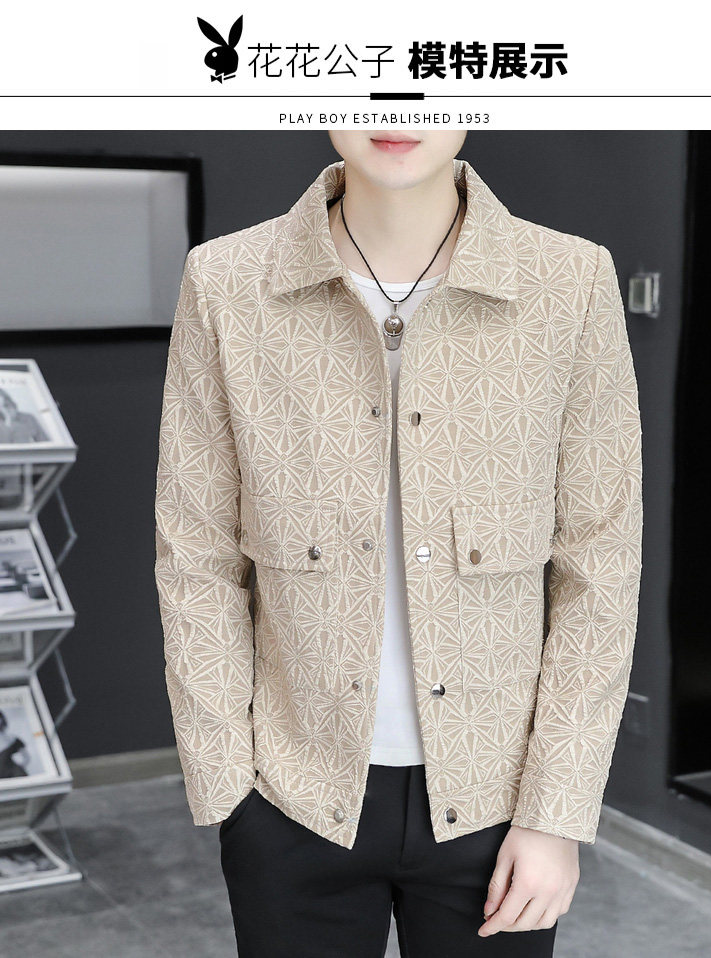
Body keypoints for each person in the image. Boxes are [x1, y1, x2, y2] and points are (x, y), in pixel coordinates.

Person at [154, 131, 642, 957]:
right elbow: (194, 551)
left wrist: (556, 813)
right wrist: (228, 785)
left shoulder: (570, 279)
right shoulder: (227, 279)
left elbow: (601, 565)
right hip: (291, 796)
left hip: (496, 802)